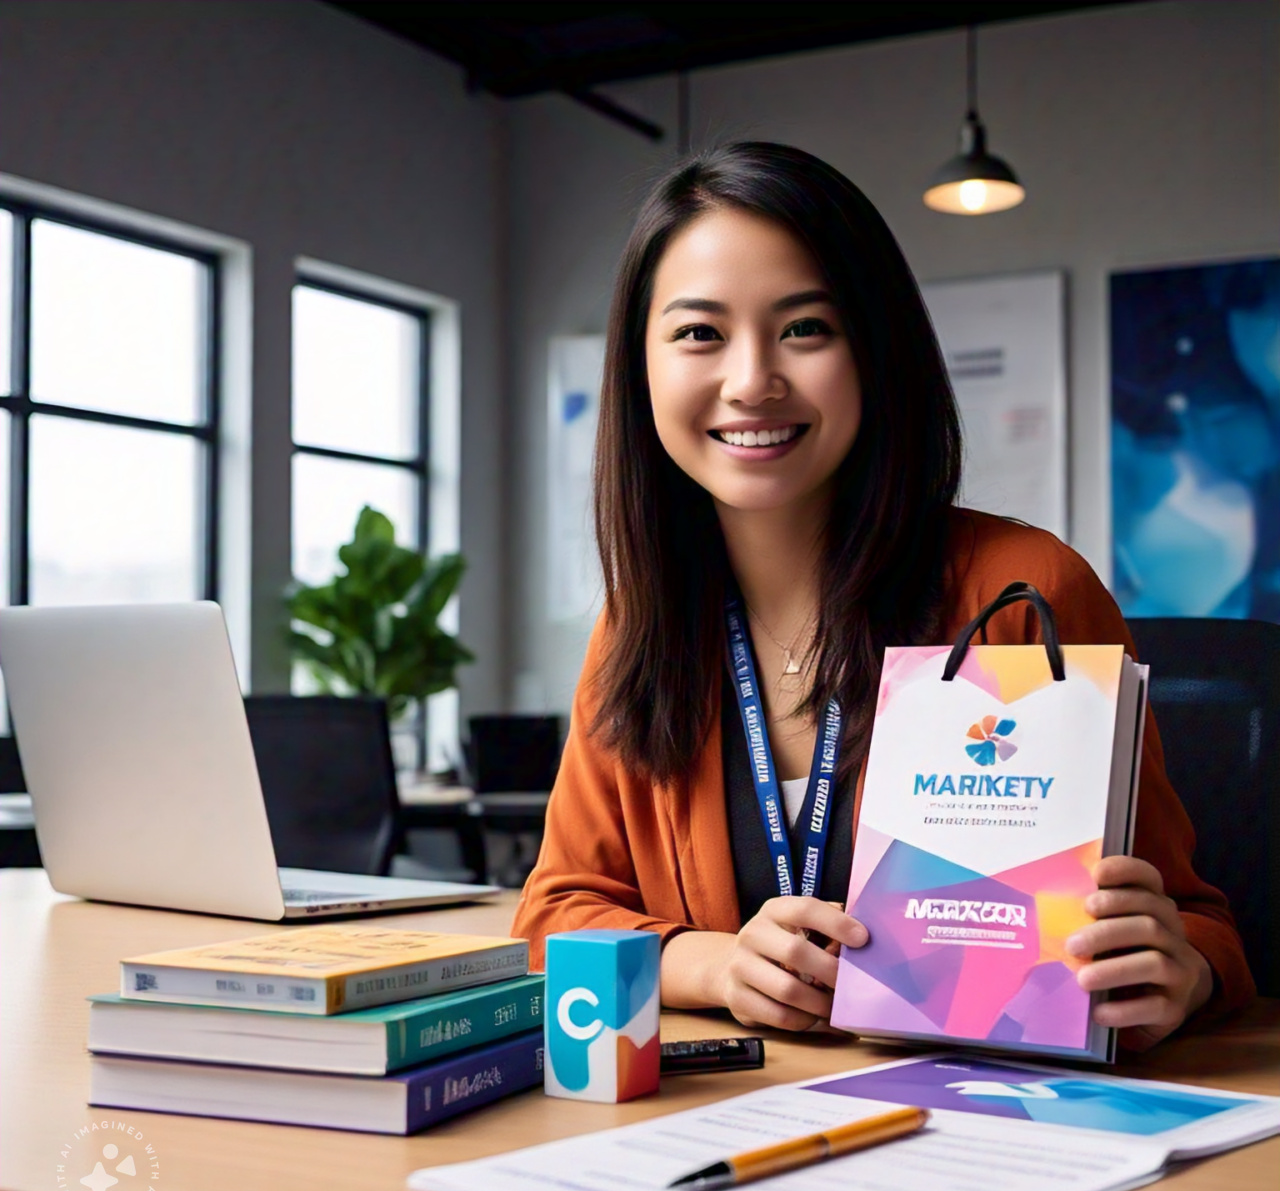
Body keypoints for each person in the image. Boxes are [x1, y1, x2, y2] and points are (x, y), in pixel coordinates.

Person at [512, 142, 1255, 1048]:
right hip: (720, 1126)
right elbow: (554, 915)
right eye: (699, 333)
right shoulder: (643, 623)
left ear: (875, 350)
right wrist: (714, 965)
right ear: (642, 369)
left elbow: (1201, 925)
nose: (751, 380)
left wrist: (1182, 968)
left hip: (986, 1128)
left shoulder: (1021, 595)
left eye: (805, 329)